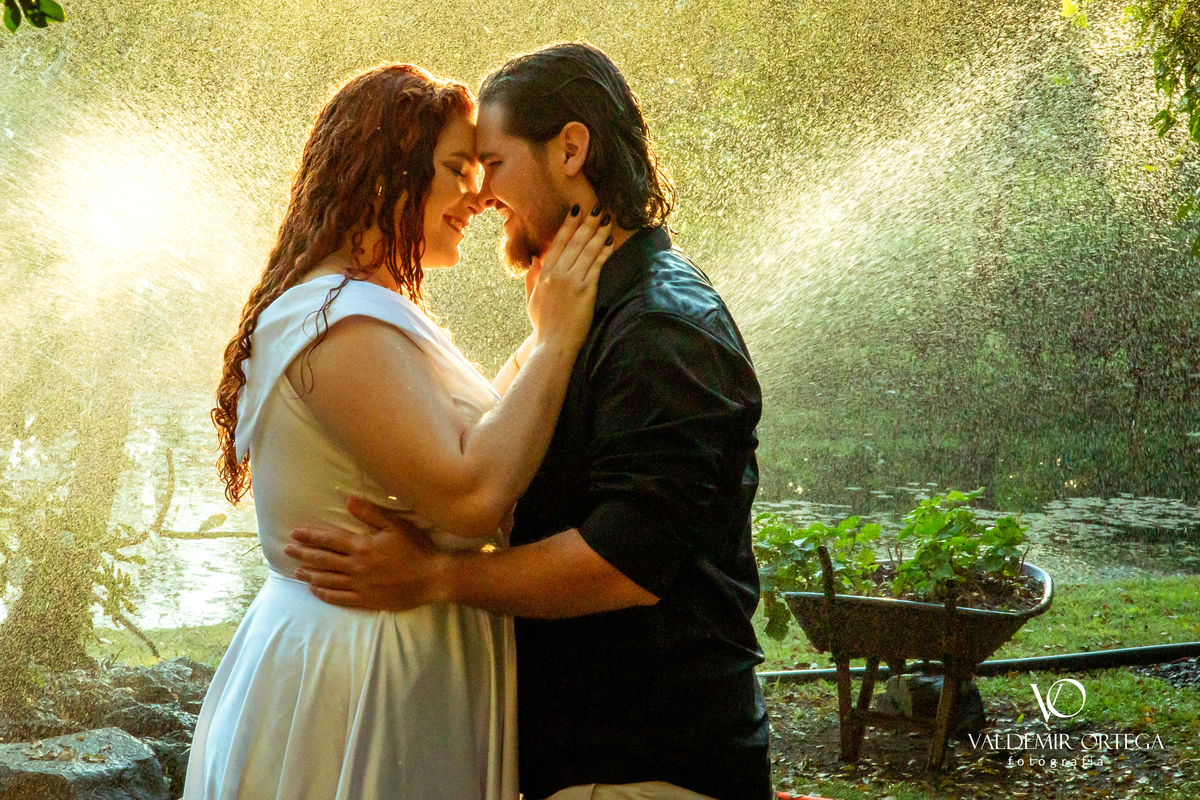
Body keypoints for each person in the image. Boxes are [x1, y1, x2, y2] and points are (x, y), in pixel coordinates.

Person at [287, 43, 773, 800]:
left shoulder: (662, 326)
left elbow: (621, 563)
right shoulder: (594, 314)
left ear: (571, 150)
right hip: (592, 764)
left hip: (646, 770)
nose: (480, 195)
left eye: (492, 163)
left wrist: (436, 575)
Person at [185, 62, 614, 799]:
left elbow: (472, 438)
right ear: (386, 175)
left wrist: (542, 330)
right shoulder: (335, 321)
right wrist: (557, 341)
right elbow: (470, 497)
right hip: (360, 677)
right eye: (456, 169)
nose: (480, 195)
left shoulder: (359, 308)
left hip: (391, 657)